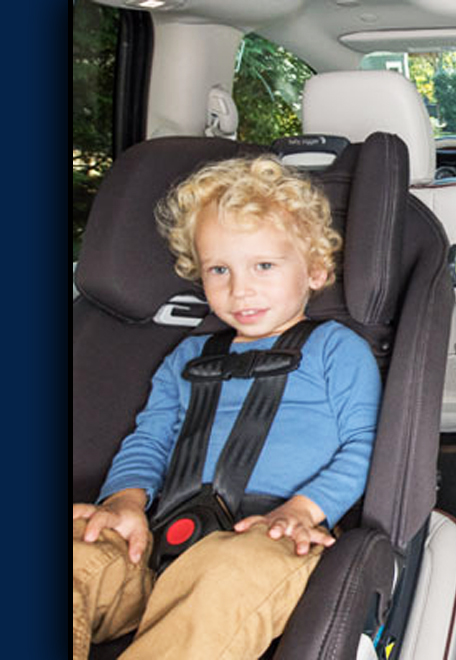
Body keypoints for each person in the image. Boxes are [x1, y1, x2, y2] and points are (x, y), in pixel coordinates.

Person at [72, 155, 382, 659]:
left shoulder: (336, 349)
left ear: (315, 269)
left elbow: (365, 444)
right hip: (158, 541)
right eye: (219, 269)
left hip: (272, 538)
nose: (240, 289)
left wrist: (304, 510)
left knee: (228, 577)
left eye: (264, 266)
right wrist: (124, 502)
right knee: (75, 551)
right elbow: (149, 440)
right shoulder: (187, 357)